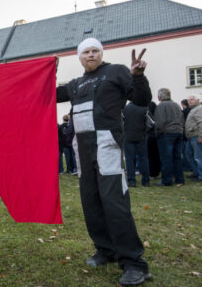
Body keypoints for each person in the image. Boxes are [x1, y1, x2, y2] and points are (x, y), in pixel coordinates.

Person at [56, 38, 151, 285]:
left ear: (101, 53)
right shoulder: (75, 84)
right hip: (83, 152)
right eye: (85, 51)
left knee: (114, 203)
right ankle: (105, 249)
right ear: (79, 57)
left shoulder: (116, 71)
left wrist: (138, 76)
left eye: (95, 51)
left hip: (107, 148)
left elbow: (141, 99)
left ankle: (134, 263)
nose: (90, 55)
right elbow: (44, 94)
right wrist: (43, 70)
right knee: (91, 202)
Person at [154, 88, 184, 187]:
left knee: (166, 158)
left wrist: (157, 132)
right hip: (179, 132)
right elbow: (182, 118)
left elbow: (160, 122)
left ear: (159, 97)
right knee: (177, 157)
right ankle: (179, 179)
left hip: (166, 133)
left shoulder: (161, 106)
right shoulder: (176, 105)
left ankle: (167, 180)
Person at [123, 102, 150, 187]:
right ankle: (146, 181)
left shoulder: (125, 109)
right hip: (141, 136)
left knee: (129, 159)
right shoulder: (144, 108)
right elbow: (151, 122)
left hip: (128, 136)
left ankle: (131, 180)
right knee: (143, 159)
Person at [184, 94, 202, 182]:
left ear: (197, 100)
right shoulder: (193, 110)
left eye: (192, 99)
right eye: (188, 100)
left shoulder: (199, 109)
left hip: (196, 136)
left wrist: (201, 136)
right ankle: (196, 172)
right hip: (191, 137)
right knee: (188, 154)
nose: (190, 101)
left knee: (199, 157)